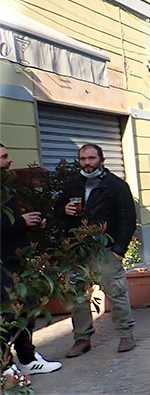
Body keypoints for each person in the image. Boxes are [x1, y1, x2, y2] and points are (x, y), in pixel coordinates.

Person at [56, 144, 137, 357]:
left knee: (117, 293)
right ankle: (82, 339)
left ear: (101, 160)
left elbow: (128, 220)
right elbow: (57, 210)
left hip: (106, 250)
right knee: (77, 296)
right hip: (78, 251)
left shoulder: (116, 186)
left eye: (91, 158)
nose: (87, 163)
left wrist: (119, 250)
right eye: (83, 159)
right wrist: (63, 210)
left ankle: (125, 334)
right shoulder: (73, 184)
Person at [1, 144, 62, 380]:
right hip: (2, 265)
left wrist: (32, 224)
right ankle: (5, 366)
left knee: (27, 305)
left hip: (16, 260)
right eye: (4, 157)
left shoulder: (7, 189)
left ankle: (27, 358)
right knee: (6, 314)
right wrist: (20, 222)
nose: (9, 160)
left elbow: (13, 224)